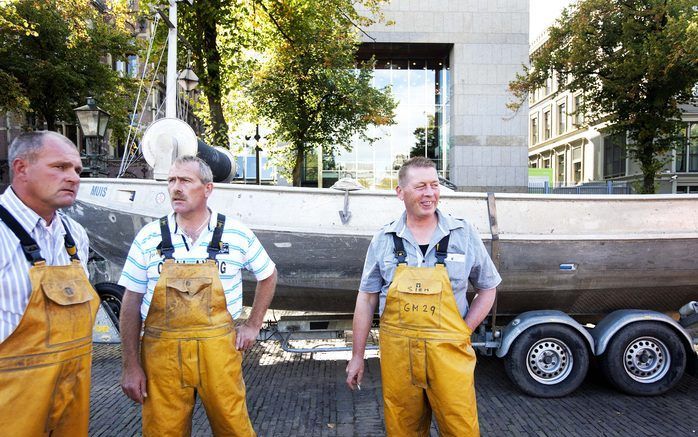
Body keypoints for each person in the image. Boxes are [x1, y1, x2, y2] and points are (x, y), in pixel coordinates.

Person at [119, 155, 277, 436]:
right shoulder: (148, 237)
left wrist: (253, 324)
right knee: (162, 432)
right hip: (161, 358)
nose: (175, 188)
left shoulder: (236, 234)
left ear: (207, 188)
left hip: (219, 352)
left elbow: (268, 275)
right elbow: (130, 303)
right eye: (171, 180)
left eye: (185, 181)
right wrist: (131, 366)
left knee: (234, 428)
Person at [345, 157, 501, 436]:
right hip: (398, 359)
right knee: (403, 429)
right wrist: (357, 356)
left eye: (434, 185)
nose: (429, 193)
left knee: (460, 428)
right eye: (420, 187)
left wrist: (463, 331)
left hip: (449, 356)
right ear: (400, 192)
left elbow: (488, 288)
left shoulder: (463, 234)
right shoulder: (384, 239)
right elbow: (366, 298)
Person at [0, 131, 97, 436]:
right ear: (21, 168)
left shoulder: (75, 235)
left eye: (77, 170)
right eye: (60, 167)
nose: (73, 177)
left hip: (71, 405)